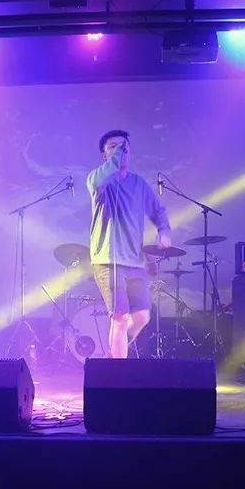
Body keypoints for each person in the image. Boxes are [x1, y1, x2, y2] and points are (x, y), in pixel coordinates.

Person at [87, 129, 172, 359]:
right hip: (108, 261)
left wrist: (164, 231)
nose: (120, 151)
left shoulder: (139, 184)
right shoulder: (97, 180)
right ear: (105, 155)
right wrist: (118, 153)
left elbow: (158, 210)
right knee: (120, 317)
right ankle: (117, 372)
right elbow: (104, 176)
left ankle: (113, 355)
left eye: (124, 147)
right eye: (112, 147)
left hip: (135, 263)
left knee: (142, 317)